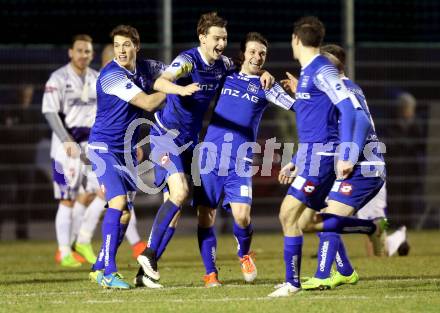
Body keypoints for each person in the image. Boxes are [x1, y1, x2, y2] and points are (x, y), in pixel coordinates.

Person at [135, 12, 274, 288]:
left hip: (190, 143)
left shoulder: (223, 64)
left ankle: (144, 273)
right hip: (165, 136)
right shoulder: (189, 60)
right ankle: (148, 254)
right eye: (216, 38)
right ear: (202, 38)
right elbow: (160, 81)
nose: (221, 42)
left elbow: (246, 66)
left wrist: (264, 71)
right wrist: (180, 90)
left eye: (224, 38)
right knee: (181, 193)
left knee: (173, 209)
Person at [268, 18, 386, 297]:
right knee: (306, 221)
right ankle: (344, 266)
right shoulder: (309, 73)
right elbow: (315, 122)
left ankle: (301, 280)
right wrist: (297, 158)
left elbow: (352, 112)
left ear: (296, 39)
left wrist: (347, 153)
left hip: (333, 159)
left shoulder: (322, 70)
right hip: (316, 157)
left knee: (292, 214)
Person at [194, 32, 295, 287]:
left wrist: (302, 90)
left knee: (242, 218)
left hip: (239, 162)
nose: (257, 57)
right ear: (242, 54)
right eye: (252, 51)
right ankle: (210, 273)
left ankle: (244, 254)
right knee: (206, 216)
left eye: (262, 53)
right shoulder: (225, 75)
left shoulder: (266, 85)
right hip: (210, 157)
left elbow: (294, 106)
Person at [87, 24, 168, 289]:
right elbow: (147, 103)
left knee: (123, 215)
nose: (121, 50)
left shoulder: (145, 67)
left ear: (136, 46)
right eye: (117, 45)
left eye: (126, 45)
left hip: (125, 151)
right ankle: (109, 271)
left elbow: (173, 70)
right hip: (103, 148)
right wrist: (174, 90)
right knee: (118, 202)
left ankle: (99, 266)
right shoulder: (111, 74)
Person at [42, 34, 106, 267]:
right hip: (64, 150)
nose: (83, 55)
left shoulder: (96, 78)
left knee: (102, 190)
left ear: (92, 54)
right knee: (66, 200)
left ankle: (83, 240)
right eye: (79, 50)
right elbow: (50, 112)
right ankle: (64, 251)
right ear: (70, 52)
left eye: (87, 51)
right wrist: (66, 139)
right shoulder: (57, 78)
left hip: (91, 147)